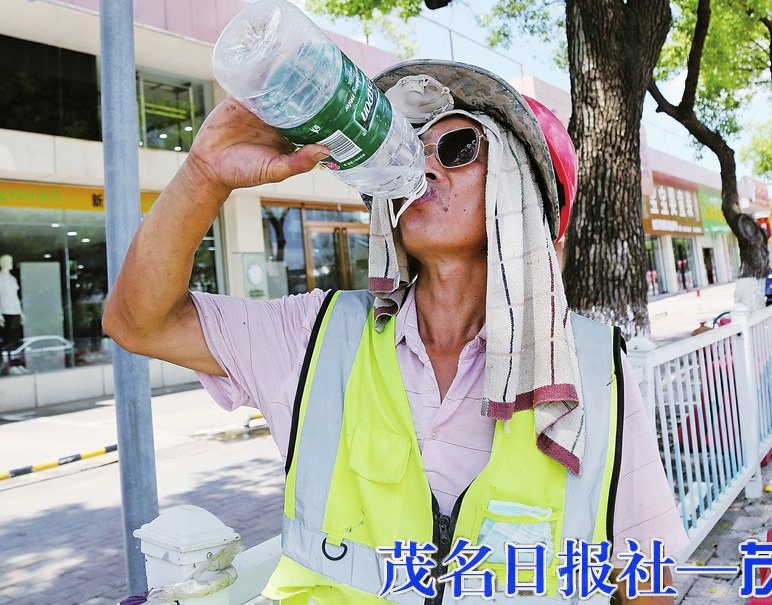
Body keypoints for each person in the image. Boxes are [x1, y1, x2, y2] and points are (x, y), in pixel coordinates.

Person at [104, 59, 688, 604]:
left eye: (458, 148)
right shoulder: (316, 335)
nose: (425, 167)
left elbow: (647, 576)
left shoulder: (594, 367)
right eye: (414, 147)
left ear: (521, 193)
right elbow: (138, 323)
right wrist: (204, 175)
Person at [0, 253, 24, 344]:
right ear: (3, 263)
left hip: (15, 312)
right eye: (9, 261)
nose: (11, 263)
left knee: (15, 337)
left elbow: (15, 297)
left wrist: (21, 312)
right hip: (5, 312)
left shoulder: (12, 279)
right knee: (6, 337)